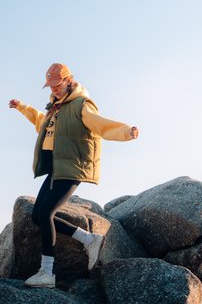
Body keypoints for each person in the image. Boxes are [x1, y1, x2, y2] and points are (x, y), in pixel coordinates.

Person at [9, 62, 138, 288]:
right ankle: (89, 240)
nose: (54, 89)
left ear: (69, 81)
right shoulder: (55, 108)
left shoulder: (81, 105)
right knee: (37, 216)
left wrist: (126, 131)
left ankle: (47, 273)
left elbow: (100, 125)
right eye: (51, 86)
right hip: (56, 169)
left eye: (58, 85)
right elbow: (41, 122)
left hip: (73, 168)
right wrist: (22, 107)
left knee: (46, 212)